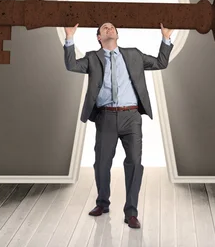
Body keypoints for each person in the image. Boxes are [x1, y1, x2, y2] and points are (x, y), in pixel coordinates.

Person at [63, 22, 174, 229]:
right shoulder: (92, 58)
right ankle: (102, 203)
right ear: (98, 37)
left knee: (134, 162)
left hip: (131, 116)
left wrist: (165, 38)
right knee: (102, 163)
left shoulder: (133, 54)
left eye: (112, 27)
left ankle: (131, 212)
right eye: (104, 28)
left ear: (117, 34)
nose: (109, 29)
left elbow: (161, 63)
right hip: (106, 117)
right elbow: (71, 65)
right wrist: (69, 37)